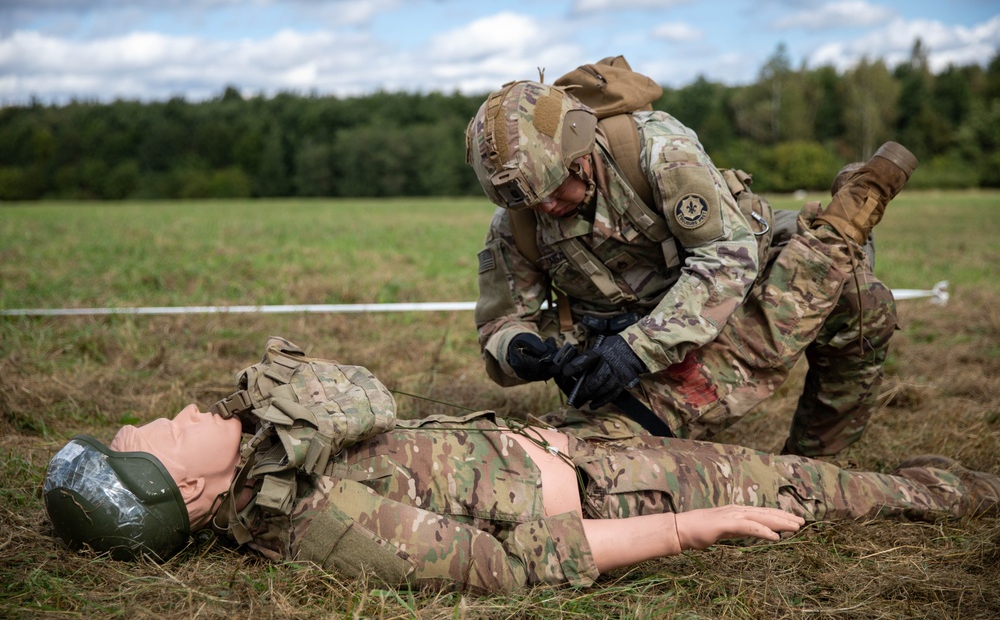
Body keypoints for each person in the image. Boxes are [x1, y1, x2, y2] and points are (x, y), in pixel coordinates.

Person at [44, 340, 1000, 594]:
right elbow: (502, 563)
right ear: (194, 492)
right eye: (157, 435)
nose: (165, 410)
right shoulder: (314, 516)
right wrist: (685, 527)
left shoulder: (274, 453)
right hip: (631, 490)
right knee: (860, 494)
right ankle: (964, 490)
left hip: (588, 446)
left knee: (829, 475)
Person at [466, 76, 914, 457]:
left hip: (716, 301)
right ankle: (841, 221)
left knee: (860, 299)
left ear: (578, 147)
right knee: (607, 452)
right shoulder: (518, 221)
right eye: (529, 201)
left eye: (555, 187)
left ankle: (817, 463)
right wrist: (519, 348)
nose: (546, 205)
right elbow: (500, 322)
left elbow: (725, 263)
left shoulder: (658, 151)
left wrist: (635, 349)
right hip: (619, 355)